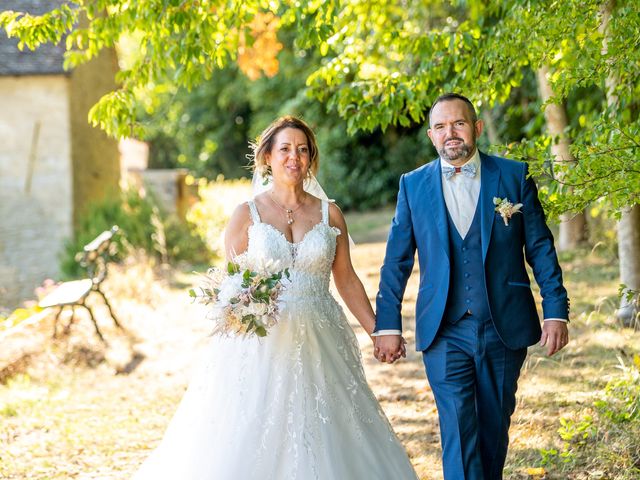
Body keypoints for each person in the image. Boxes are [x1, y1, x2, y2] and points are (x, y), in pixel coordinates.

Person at [133, 116, 418, 479]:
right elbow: (232, 284)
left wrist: (378, 331)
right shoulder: (245, 215)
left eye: (302, 150)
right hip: (262, 343)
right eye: (284, 149)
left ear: (311, 158)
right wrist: (240, 308)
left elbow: (345, 279)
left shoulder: (329, 213)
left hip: (321, 338)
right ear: (267, 156)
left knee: (327, 429)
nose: (293, 158)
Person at [374, 93, 570, 479]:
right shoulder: (413, 186)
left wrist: (555, 310)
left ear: (476, 128)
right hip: (444, 330)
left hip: (503, 325)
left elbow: (541, 248)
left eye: (459, 124)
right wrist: (388, 325)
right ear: (431, 135)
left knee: (493, 431)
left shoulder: (513, 176)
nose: (451, 133)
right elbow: (396, 261)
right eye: (442, 127)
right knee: (458, 430)